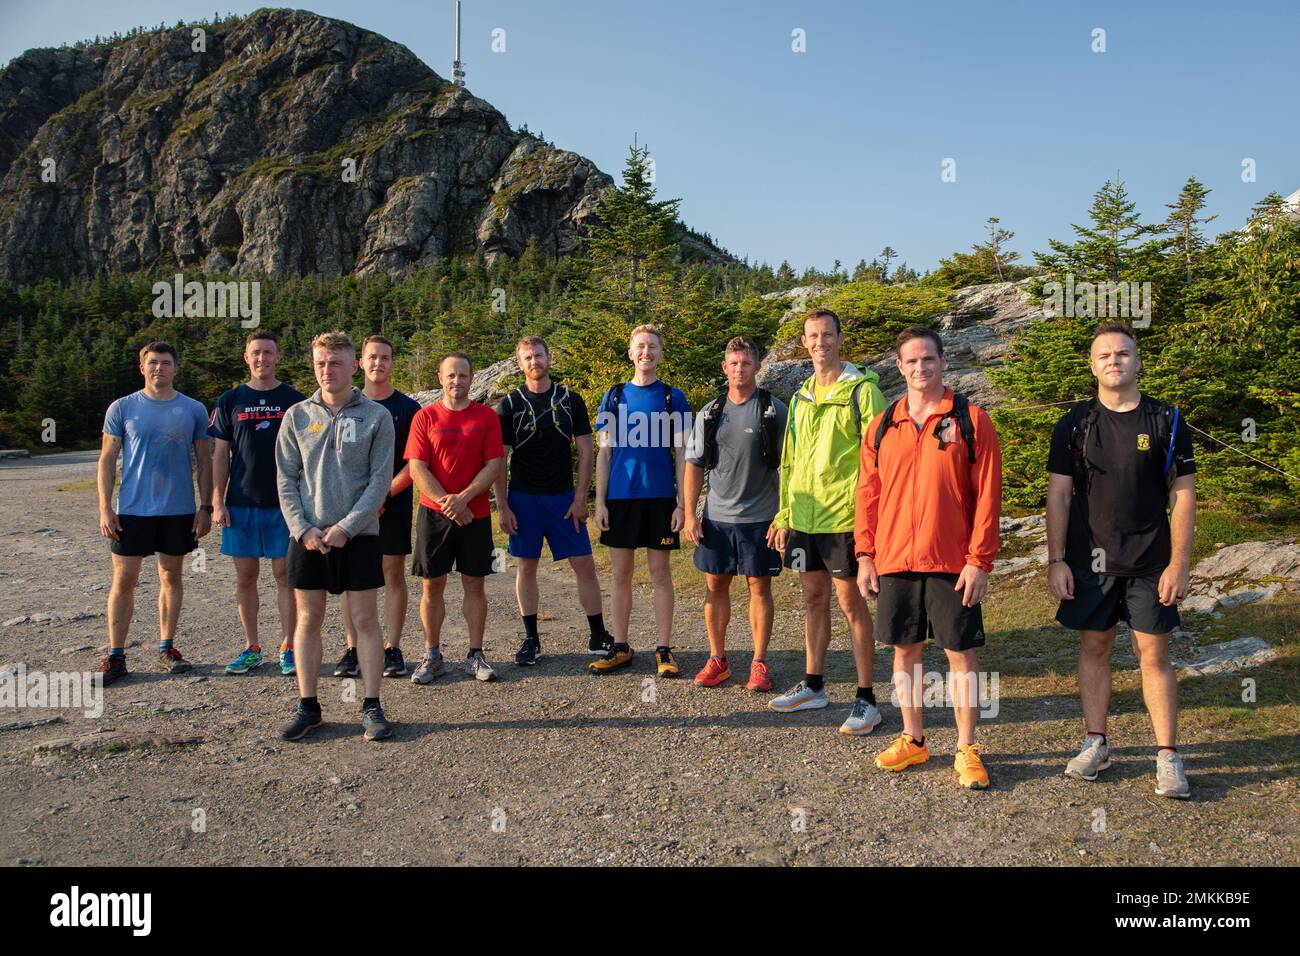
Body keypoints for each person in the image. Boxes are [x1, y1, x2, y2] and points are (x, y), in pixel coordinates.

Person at [1047, 321, 1196, 799]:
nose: (1114, 361)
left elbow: (1185, 497)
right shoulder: (1074, 423)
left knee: (1154, 654)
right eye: (1105, 356)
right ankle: (1096, 743)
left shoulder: (1167, 420)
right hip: (1090, 563)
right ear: (1093, 365)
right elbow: (1059, 496)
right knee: (1095, 649)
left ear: (1137, 360)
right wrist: (1056, 560)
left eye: (1123, 354)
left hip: (1151, 563)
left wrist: (1179, 563)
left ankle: (1168, 755)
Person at [856, 327, 1003, 789]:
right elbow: (868, 495)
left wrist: (979, 559)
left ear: (943, 362)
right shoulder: (883, 424)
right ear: (899, 368)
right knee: (905, 651)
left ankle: (967, 747)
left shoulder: (972, 419)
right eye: (911, 362)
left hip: (952, 560)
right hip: (896, 558)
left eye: (929, 360)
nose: (921, 368)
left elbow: (987, 497)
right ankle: (913, 739)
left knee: (960, 653)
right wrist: (865, 554)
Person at [767, 310, 887, 735]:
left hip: (845, 518)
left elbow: (881, 461)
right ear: (804, 342)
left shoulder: (863, 393)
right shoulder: (800, 397)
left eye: (827, 335)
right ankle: (814, 686)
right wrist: (784, 514)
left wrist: (871, 524)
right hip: (804, 518)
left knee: (851, 604)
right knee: (813, 600)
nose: (820, 343)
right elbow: (790, 461)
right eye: (813, 336)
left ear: (839, 339)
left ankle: (866, 698)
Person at [275, 331, 395, 742]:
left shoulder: (376, 417)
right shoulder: (296, 416)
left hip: (358, 536)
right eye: (321, 363)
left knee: (364, 620)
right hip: (307, 536)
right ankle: (308, 707)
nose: (327, 370)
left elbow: (380, 481)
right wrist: (304, 529)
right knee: (307, 621)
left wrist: (346, 527)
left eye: (336, 362)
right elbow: (286, 479)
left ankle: (372, 706)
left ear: (354, 366)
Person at [494, 336, 616, 666]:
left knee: (584, 564)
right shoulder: (510, 404)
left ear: (549, 357)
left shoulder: (569, 400)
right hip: (523, 498)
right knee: (527, 566)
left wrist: (581, 497)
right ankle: (531, 639)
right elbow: (499, 459)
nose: (534, 362)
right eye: (528, 357)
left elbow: (587, 449)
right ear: (520, 363)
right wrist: (502, 506)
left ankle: (597, 633)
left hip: (563, 498)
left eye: (539, 355)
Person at [96, 341, 212, 684]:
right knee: (124, 580)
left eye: (165, 362)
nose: (159, 368)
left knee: (171, 577)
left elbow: (204, 461)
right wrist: (105, 506)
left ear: (175, 368)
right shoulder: (122, 407)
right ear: (141, 367)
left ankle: (167, 648)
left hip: (177, 510)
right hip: (132, 509)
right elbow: (106, 460)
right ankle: (116, 656)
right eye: (152, 363)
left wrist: (205, 507)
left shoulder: (192, 409)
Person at [683, 336, 787, 691]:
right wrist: (689, 515)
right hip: (717, 517)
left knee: (760, 586)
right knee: (715, 585)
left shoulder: (775, 410)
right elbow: (694, 465)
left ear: (758, 367)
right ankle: (718, 659)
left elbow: (790, 466)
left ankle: (759, 663)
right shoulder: (709, 412)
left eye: (746, 363)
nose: (740, 369)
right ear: (724, 368)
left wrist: (783, 515)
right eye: (733, 363)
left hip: (762, 517)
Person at [591, 325, 692, 676]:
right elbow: (604, 453)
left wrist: (683, 503)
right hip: (621, 497)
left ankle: (663, 650)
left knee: (660, 574)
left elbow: (683, 453)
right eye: (640, 346)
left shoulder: (672, 397)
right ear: (631, 353)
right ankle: (620, 646)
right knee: (621, 574)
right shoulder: (614, 395)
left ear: (660, 354)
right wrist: (599, 501)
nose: (646, 352)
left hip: (661, 498)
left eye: (652, 346)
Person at [210, 331, 306, 677]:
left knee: (285, 576)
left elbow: (307, 454)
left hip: (285, 505)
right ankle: (251, 646)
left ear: (278, 357)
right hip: (241, 502)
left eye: (268, 353)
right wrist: (217, 501)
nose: (262, 359)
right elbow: (220, 454)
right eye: (256, 353)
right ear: (246, 358)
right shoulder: (230, 400)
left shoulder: (294, 400)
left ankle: (289, 646)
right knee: (246, 577)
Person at [406, 352, 505, 685]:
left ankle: (475, 654)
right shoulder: (425, 417)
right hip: (434, 517)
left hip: (474, 515)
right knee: (432, 586)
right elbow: (417, 467)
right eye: (451, 375)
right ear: (440, 377)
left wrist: (463, 499)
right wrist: (447, 503)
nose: (457, 381)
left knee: (474, 584)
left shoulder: (486, 417)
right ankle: (432, 655)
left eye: (463, 375)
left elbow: (494, 464)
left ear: (471, 378)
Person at [334, 335, 421, 680]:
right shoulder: (345, 405)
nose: (378, 363)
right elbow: (338, 461)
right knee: (351, 577)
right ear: (359, 363)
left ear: (392, 363)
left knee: (392, 574)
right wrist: (361, 502)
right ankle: (353, 647)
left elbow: (414, 461)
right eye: (372, 357)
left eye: (385, 357)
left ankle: (393, 648)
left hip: (392, 505)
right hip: (350, 507)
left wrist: (381, 497)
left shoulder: (408, 408)